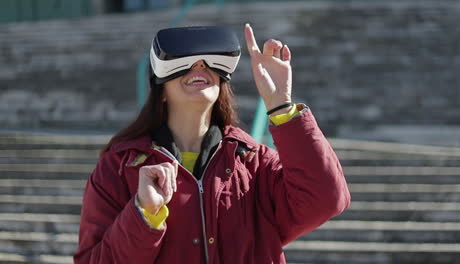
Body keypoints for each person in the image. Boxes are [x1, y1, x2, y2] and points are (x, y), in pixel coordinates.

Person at [74, 24, 350, 264]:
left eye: (208, 63)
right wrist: (143, 213)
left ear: (222, 83)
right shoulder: (119, 168)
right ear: (161, 91)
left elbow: (326, 199)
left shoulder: (254, 163)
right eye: (183, 60)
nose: (199, 66)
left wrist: (280, 106)